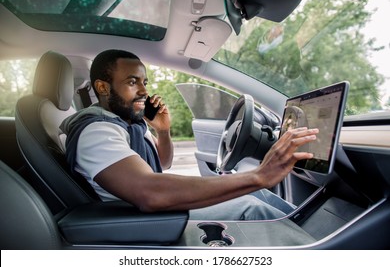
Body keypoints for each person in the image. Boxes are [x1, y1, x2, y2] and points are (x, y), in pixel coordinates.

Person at [60, 49, 319, 220]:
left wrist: (163, 131)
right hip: (141, 219)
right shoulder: (97, 131)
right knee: (252, 208)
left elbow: (161, 165)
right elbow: (150, 191)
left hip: (151, 209)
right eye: (131, 82)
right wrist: (259, 175)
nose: (143, 91)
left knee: (255, 194)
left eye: (144, 82)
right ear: (103, 88)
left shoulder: (126, 123)